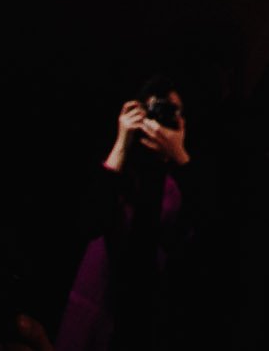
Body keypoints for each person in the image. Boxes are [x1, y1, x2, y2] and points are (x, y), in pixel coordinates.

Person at [55, 78, 194, 351]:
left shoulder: (177, 188)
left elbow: (200, 242)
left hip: (141, 319)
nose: (161, 121)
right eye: (156, 111)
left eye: (170, 113)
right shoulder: (117, 172)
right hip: (94, 305)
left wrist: (180, 155)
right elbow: (90, 222)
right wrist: (122, 141)